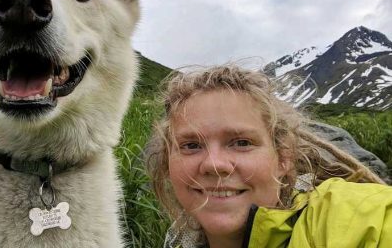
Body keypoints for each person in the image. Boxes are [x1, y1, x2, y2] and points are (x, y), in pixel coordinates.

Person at [145, 65, 392, 248]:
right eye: (190, 145)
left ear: (284, 157)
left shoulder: (345, 215)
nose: (214, 164)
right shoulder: (177, 241)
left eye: (241, 143)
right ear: (167, 162)